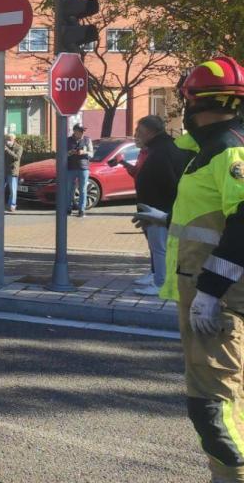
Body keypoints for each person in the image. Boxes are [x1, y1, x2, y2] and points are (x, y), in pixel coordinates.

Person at [132, 57, 244, 483]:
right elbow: (216, 217)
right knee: (229, 399)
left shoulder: (228, 149)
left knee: (212, 406)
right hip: (211, 295)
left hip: (220, 302)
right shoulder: (211, 147)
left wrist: (211, 291)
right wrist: (166, 220)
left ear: (190, 100)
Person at [115, 116, 190, 295]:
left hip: (158, 208)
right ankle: (158, 277)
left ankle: (161, 283)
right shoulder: (160, 147)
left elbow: (168, 180)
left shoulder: (162, 150)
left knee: (160, 248)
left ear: (150, 132)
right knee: (158, 247)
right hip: (156, 206)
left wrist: (164, 209)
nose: (137, 135)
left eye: (140, 132)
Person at [66, 124, 93, 217]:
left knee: (83, 189)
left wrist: (84, 152)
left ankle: (81, 210)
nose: (82, 133)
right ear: (74, 131)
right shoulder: (68, 140)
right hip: (71, 168)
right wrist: (70, 152)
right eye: (80, 131)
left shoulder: (87, 140)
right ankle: (68, 209)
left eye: (83, 131)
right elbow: (62, 154)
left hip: (83, 168)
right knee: (69, 189)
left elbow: (92, 154)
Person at [3, 134, 23, 213]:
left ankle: (12, 205)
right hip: (4, 171)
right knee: (1, 189)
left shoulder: (19, 147)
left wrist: (7, 150)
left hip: (12, 171)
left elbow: (17, 157)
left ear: (14, 139)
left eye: (9, 139)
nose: (8, 141)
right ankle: (6, 204)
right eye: (7, 139)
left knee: (13, 190)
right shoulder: (4, 146)